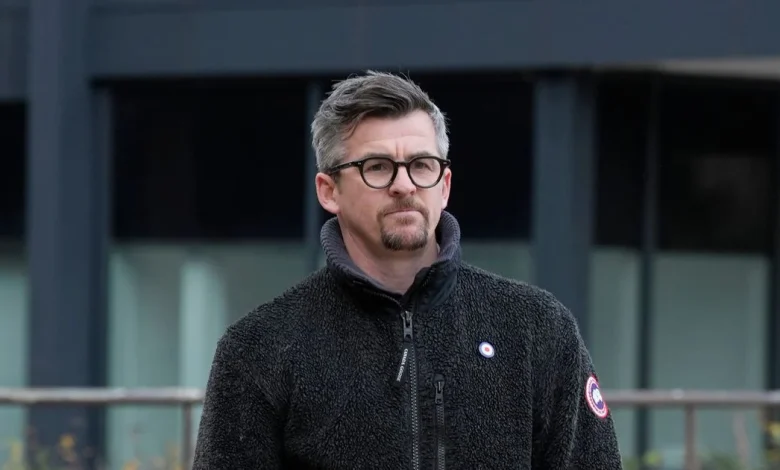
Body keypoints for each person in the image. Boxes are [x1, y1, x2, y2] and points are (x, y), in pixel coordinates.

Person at [192, 71, 623, 469]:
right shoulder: (260, 350)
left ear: (445, 185)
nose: (404, 185)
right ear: (329, 191)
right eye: (377, 167)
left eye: (421, 165)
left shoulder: (536, 328)